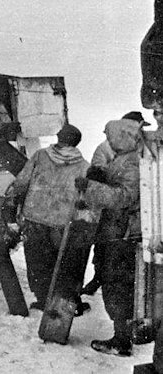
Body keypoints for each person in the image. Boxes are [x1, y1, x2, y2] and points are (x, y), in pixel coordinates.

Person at [75, 118, 143, 356]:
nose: (109, 141)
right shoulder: (127, 158)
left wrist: (91, 188)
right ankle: (123, 335)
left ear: (123, 136)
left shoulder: (131, 162)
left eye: (111, 137)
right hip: (118, 230)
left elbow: (125, 196)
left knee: (117, 284)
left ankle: (121, 341)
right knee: (116, 282)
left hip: (121, 233)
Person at [5, 123, 89, 312]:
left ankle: (43, 299)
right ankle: (64, 301)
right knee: (62, 262)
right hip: (62, 221)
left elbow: (22, 182)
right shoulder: (84, 166)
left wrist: (11, 202)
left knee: (37, 261)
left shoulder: (40, 156)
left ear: (59, 138)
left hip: (35, 217)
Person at [82, 111, 150, 296]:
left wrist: (92, 188)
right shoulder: (106, 149)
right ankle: (99, 278)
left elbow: (125, 194)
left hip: (123, 221)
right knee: (103, 253)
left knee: (118, 271)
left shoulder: (138, 154)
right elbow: (98, 172)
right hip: (112, 216)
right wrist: (95, 182)